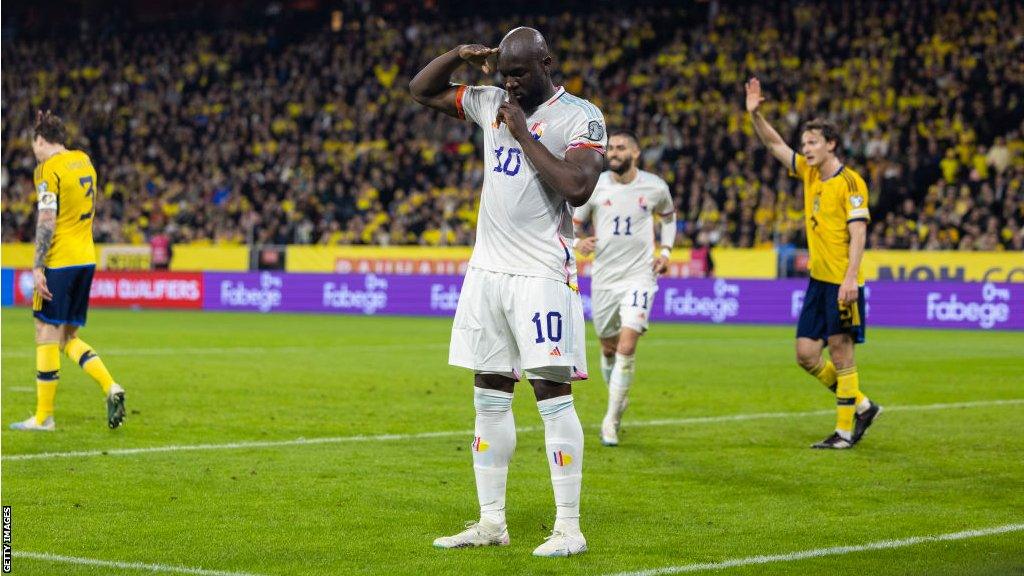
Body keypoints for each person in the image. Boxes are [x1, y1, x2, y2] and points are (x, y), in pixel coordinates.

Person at [410, 27, 606, 556]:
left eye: (519, 73)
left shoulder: (581, 116)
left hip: (542, 274)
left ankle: (569, 528)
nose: (511, 85)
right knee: (488, 396)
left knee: (551, 396)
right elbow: (422, 91)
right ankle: (490, 521)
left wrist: (523, 134)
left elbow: (579, 187)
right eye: (504, 76)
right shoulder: (491, 101)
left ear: (546, 61)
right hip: (487, 273)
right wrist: (455, 54)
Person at [744, 78, 881, 449]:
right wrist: (755, 115)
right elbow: (774, 144)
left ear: (831, 144)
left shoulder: (850, 183)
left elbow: (859, 235)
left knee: (840, 350)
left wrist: (851, 279)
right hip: (819, 280)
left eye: (812, 143)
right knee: (806, 354)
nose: (805, 150)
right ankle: (863, 405)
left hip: (842, 281)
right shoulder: (808, 172)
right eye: (803, 144)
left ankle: (843, 432)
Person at [10, 111, 126, 432]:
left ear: (41, 140)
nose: (33, 148)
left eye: (34, 141)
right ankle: (110, 386)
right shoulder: (83, 160)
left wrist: (37, 266)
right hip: (86, 258)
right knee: (67, 337)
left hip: (59, 260)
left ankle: (43, 417)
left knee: (44, 333)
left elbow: (47, 218)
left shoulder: (47, 169)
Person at [572, 131, 676, 446]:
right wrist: (579, 242)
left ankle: (611, 420)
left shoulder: (655, 187)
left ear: (635, 152)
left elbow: (669, 219)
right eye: (611, 148)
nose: (613, 152)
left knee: (627, 347)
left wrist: (666, 252)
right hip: (604, 278)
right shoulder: (596, 186)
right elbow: (573, 224)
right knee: (608, 348)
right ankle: (618, 398)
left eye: (620, 148)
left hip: (640, 276)